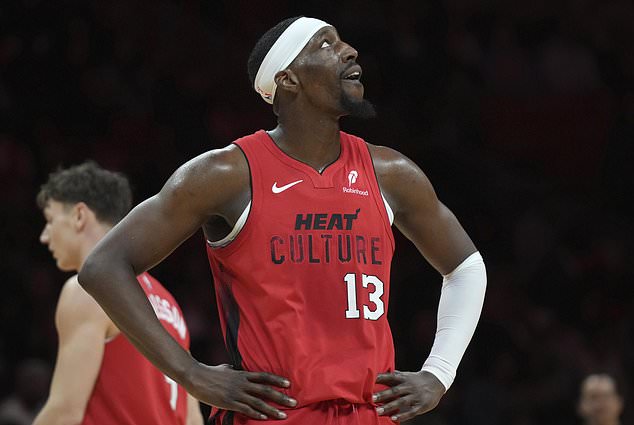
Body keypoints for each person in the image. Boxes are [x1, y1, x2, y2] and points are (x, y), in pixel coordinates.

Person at [78, 16, 487, 424]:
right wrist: (190, 374)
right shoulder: (226, 174)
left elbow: (466, 267)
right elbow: (103, 266)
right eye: (325, 44)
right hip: (274, 414)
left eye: (342, 41)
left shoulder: (390, 172)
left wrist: (439, 373)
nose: (349, 51)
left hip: (368, 414)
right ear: (288, 79)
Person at [33, 162, 203, 425]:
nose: (45, 236)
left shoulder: (85, 291)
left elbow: (64, 413)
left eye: (51, 220)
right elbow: (192, 419)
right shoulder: (169, 302)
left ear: (79, 216)